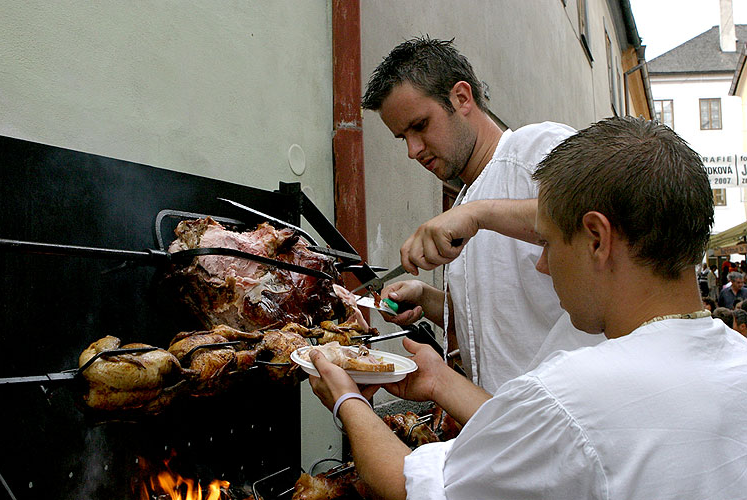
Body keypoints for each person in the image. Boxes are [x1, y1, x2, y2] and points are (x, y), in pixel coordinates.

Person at [307, 117, 747, 499]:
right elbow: (544, 439)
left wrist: (347, 399)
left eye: (547, 242)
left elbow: (420, 491)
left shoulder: (569, 394)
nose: (542, 264)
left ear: (597, 238)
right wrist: (441, 381)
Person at [361, 36, 600, 392]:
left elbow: (602, 219)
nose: (413, 151)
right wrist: (427, 300)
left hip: (573, 413)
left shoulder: (536, 148)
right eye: (402, 138)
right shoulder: (466, 202)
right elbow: (496, 323)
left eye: (420, 126)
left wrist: (479, 213)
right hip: (507, 424)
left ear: (461, 97)